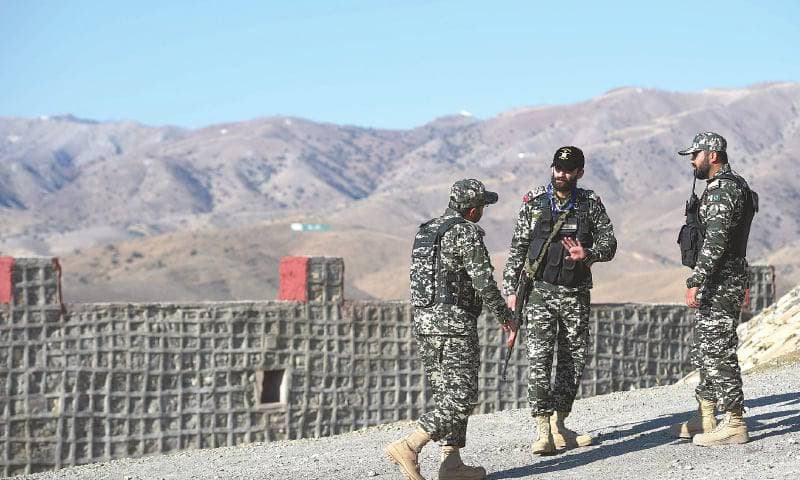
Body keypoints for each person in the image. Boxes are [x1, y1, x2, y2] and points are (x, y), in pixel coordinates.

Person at [386, 179, 516, 480]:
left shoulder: (426, 231)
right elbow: (483, 280)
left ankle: (452, 464)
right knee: (463, 397)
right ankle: (410, 444)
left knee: (447, 395)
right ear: (472, 209)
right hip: (453, 325)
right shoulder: (465, 232)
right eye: (482, 206)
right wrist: (505, 316)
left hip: (425, 324)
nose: (482, 211)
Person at [502, 146, 616, 456]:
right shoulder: (536, 202)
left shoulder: (590, 204)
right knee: (539, 360)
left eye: (568, 169)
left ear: (580, 172)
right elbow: (517, 248)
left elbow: (610, 243)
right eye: (557, 168)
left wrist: (588, 254)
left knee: (572, 361)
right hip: (540, 293)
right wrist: (511, 292)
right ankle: (542, 429)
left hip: (575, 294)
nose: (561, 174)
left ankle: (559, 423)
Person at [670, 132, 756, 446]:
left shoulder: (724, 190)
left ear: (713, 155)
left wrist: (697, 281)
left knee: (719, 350)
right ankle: (706, 415)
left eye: (696, 154)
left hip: (721, 279)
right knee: (708, 348)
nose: (692, 160)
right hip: (722, 278)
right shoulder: (725, 187)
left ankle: (734, 421)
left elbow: (716, 243)